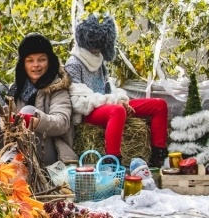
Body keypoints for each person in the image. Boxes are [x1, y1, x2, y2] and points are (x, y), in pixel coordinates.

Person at [64, 14, 169, 165]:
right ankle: (112, 161)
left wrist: (119, 99)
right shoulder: (74, 63)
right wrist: (114, 103)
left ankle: (159, 156)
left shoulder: (99, 61)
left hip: (109, 104)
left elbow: (107, 87)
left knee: (159, 105)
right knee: (118, 111)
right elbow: (78, 98)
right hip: (89, 111)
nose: (96, 50)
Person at [9, 33, 78, 166]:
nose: (36, 65)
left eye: (41, 60)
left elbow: (62, 122)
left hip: (51, 151)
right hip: (19, 146)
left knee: (28, 110)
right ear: (23, 65)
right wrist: (8, 121)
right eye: (30, 60)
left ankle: (14, 164)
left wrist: (38, 122)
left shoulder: (57, 87)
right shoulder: (16, 89)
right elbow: (4, 117)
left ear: (49, 61)